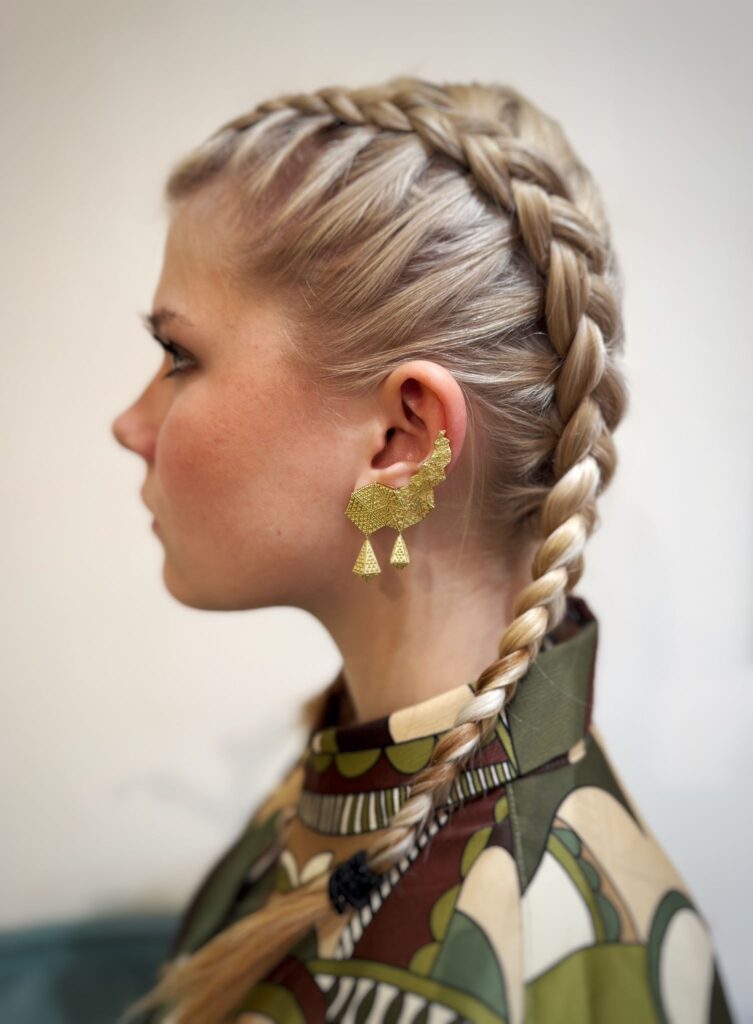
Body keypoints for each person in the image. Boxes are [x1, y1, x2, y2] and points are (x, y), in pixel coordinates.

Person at [111, 76, 733, 1024]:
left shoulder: (511, 963)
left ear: (402, 439)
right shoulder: (366, 772)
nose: (130, 424)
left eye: (179, 355)